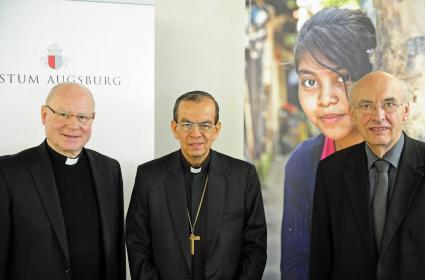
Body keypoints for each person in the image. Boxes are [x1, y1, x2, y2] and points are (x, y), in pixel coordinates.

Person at [126, 90, 267, 280]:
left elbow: (255, 246)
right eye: (186, 124)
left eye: (205, 125)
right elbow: (137, 244)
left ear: (216, 130)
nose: (196, 133)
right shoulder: (149, 176)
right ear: (174, 128)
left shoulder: (243, 176)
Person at [281, 8, 377, 280]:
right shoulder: (304, 164)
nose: (325, 99)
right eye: (310, 81)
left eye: (343, 78)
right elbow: (296, 266)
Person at [0, 83, 125, 280]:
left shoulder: (109, 169)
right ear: (44, 115)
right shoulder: (9, 172)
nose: (74, 125)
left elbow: (115, 249)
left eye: (82, 117)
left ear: (92, 120)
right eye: (63, 114)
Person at [309, 71, 425, 279]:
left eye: (389, 104)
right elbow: (321, 254)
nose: (378, 116)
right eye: (365, 106)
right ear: (353, 114)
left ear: (405, 111)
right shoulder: (330, 171)